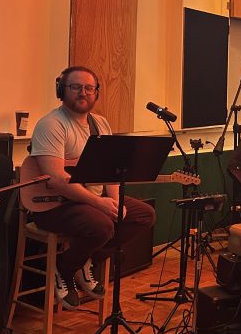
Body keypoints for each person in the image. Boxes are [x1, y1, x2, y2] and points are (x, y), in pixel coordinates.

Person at [29, 66, 156, 309]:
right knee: (103, 225)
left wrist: (115, 202)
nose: (83, 93)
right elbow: (56, 178)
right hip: (55, 205)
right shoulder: (52, 124)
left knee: (143, 215)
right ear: (61, 90)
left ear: (96, 93)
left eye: (89, 88)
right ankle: (64, 268)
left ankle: (84, 259)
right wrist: (100, 203)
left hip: (90, 202)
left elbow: (111, 171)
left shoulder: (101, 124)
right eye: (75, 87)